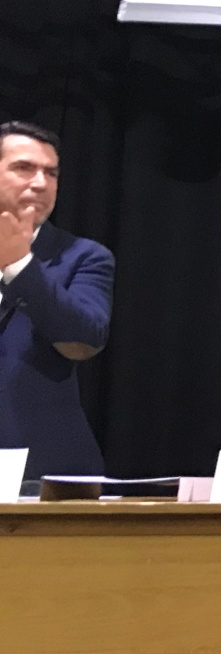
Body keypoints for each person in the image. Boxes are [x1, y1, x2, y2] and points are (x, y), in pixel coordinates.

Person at [0, 121, 114, 480]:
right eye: (23, 168)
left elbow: (85, 339)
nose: (40, 182)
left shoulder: (83, 256)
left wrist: (21, 265)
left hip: (38, 470)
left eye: (51, 173)